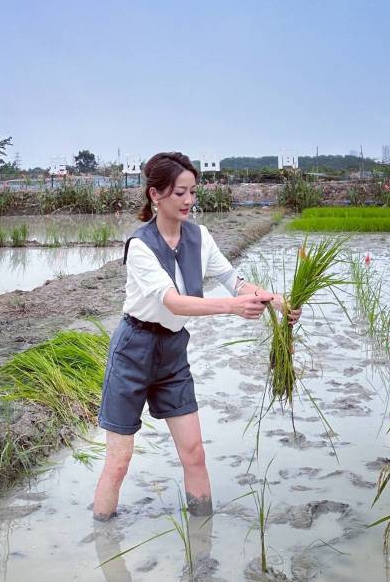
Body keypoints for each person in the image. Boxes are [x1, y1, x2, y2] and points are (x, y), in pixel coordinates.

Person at [93, 152, 301, 521]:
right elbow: (173, 302)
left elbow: (235, 282)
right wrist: (233, 307)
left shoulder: (200, 237)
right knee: (119, 461)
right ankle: (102, 537)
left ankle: (203, 544)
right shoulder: (140, 246)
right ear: (155, 195)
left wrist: (279, 303)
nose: (189, 201)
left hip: (173, 353)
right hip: (133, 352)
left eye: (192, 192)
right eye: (179, 193)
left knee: (194, 453)